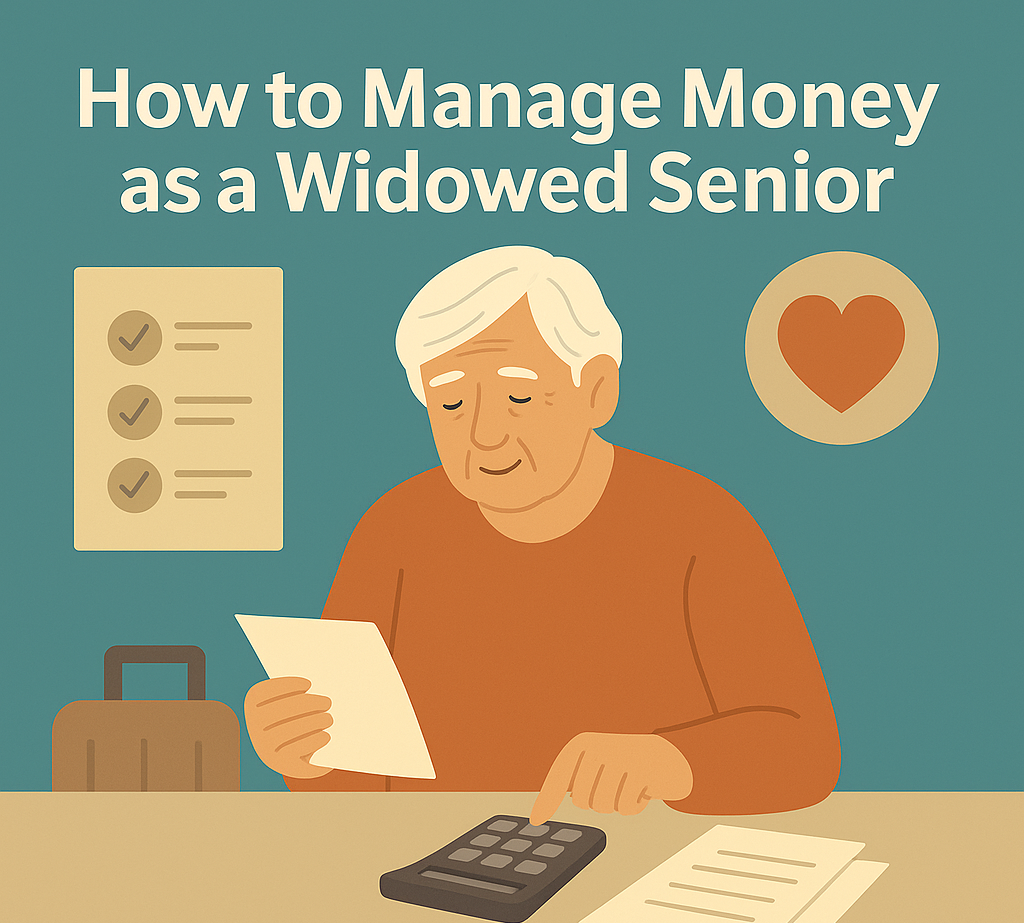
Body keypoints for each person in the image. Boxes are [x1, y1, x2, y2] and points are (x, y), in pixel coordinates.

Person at [244, 246, 840, 822]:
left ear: (598, 390)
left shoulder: (699, 523)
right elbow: (357, 783)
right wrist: (301, 750)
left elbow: (803, 749)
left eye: (518, 395)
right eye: (449, 403)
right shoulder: (394, 530)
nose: (483, 434)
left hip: (640, 870)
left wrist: (670, 760)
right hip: (436, 879)